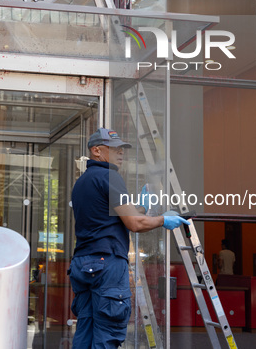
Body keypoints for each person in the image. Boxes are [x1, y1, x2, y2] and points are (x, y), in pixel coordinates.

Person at [69, 128, 190, 348]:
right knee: (107, 335)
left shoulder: (82, 182)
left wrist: (142, 207)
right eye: (114, 148)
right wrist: (164, 219)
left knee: (85, 334)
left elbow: (120, 217)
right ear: (96, 151)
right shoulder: (110, 176)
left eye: (122, 148)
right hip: (107, 265)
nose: (121, 153)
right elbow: (134, 223)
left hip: (83, 264)